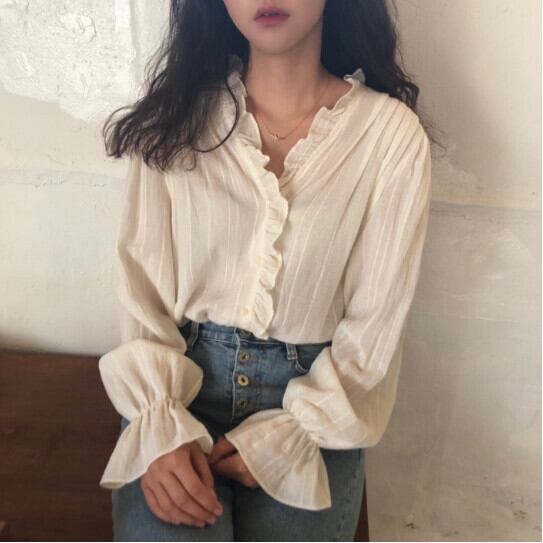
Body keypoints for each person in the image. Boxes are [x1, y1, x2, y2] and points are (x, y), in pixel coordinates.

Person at [98, 0, 436, 540]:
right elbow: (142, 293)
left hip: (317, 407)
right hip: (178, 392)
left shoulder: (390, 137)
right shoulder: (175, 120)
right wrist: (160, 427)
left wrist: (298, 430)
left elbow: (376, 322)